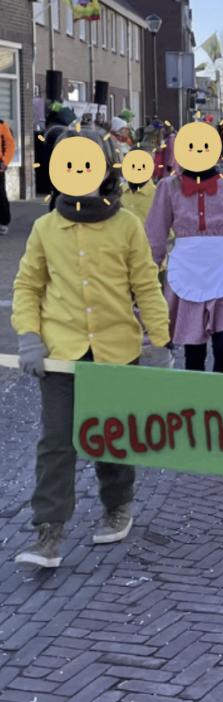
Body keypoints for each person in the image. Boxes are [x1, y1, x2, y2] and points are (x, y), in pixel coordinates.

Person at [11, 128, 172, 568]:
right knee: (56, 442)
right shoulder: (45, 228)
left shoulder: (127, 226)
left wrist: (159, 340)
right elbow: (28, 286)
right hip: (61, 353)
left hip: (116, 352)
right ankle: (49, 531)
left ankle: (117, 504)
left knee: (110, 440)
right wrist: (28, 336)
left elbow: (146, 285)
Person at [145, 134, 223, 374]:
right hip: (187, 270)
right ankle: (197, 403)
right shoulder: (168, 188)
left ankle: (222, 402)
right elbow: (155, 234)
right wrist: (146, 277)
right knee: (193, 349)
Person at [0, 115, 13, 235]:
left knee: (0, 195)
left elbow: (9, 144)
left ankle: (3, 222)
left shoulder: (2, 124)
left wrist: (5, 161)